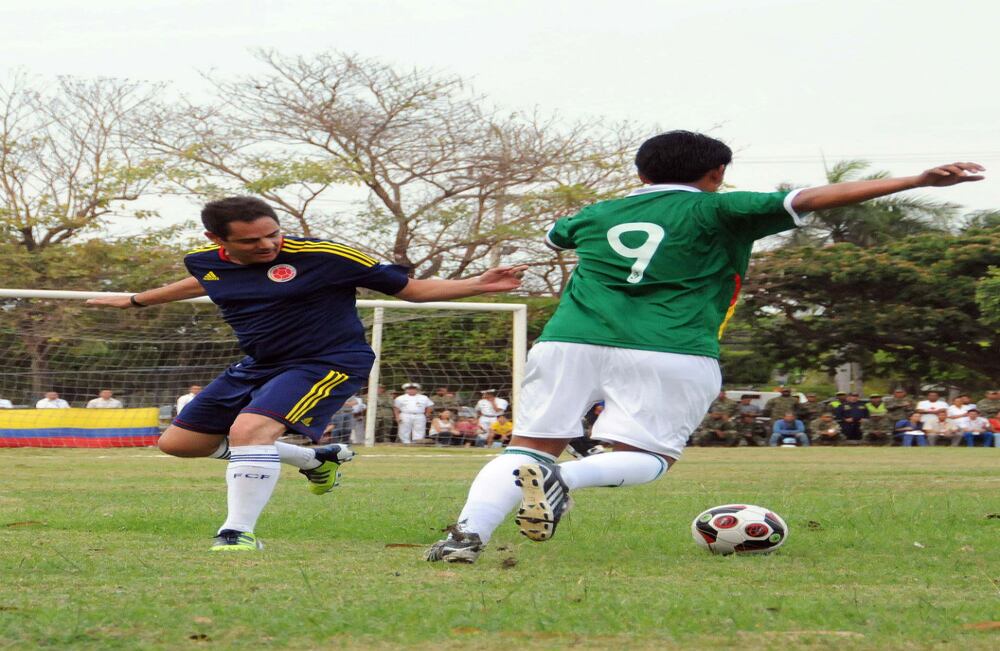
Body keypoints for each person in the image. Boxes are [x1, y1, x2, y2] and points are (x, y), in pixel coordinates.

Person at [426, 131, 983, 563]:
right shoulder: (720, 209)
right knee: (649, 457)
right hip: (671, 346)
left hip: (568, 341)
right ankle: (564, 480)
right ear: (717, 173)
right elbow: (812, 197)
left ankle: (463, 538)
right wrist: (917, 179)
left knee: (527, 448)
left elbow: (556, 234)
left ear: (640, 172)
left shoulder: (597, 214)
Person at [87, 195, 525, 551]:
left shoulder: (326, 256)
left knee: (249, 431)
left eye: (272, 234)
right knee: (180, 444)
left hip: (329, 360)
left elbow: (411, 289)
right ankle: (316, 459)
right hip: (260, 363)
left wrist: (478, 284)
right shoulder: (203, 260)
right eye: (251, 241)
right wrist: (137, 299)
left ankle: (236, 533)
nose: (266, 245)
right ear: (217, 239)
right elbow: (208, 280)